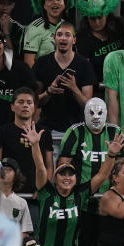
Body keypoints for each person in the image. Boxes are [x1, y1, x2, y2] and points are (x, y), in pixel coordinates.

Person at [36, 133, 124, 246]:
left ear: (76, 179)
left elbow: (101, 176)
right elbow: (40, 168)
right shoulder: (46, 193)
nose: (67, 177)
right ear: (55, 178)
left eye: (71, 174)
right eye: (62, 174)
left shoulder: (80, 194)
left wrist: (111, 155)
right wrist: (35, 145)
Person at [33, 21, 96, 157]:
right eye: (59, 34)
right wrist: (49, 92)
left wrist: (74, 89)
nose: (63, 38)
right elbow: (34, 102)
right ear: (54, 38)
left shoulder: (84, 64)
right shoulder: (42, 63)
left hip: (76, 130)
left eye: (67, 35)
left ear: (74, 40)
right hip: (48, 129)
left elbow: (89, 107)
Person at [0, 87, 53, 186]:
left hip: (37, 191)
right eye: (21, 102)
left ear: (34, 108)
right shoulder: (0, 132)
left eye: (29, 102)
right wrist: (4, 189)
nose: (25, 105)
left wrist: (45, 189)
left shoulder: (44, 131)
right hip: (9, 190)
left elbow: (49, 165)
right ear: (12, 107)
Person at [74, 0, 124, 93]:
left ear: (106, 15)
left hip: (121, 82)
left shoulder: (119, 28)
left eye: (100, 17)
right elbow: (85, 69)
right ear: (87, 18)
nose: (96, 22)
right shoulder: (81, 37)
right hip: (95, 86)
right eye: (92, 18)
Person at [22, 0, 77, 68]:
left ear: (64, 4)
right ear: (44, 5)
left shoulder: (68, 26)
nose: (55, 2)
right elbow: (28, 62)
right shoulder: (34, 28)